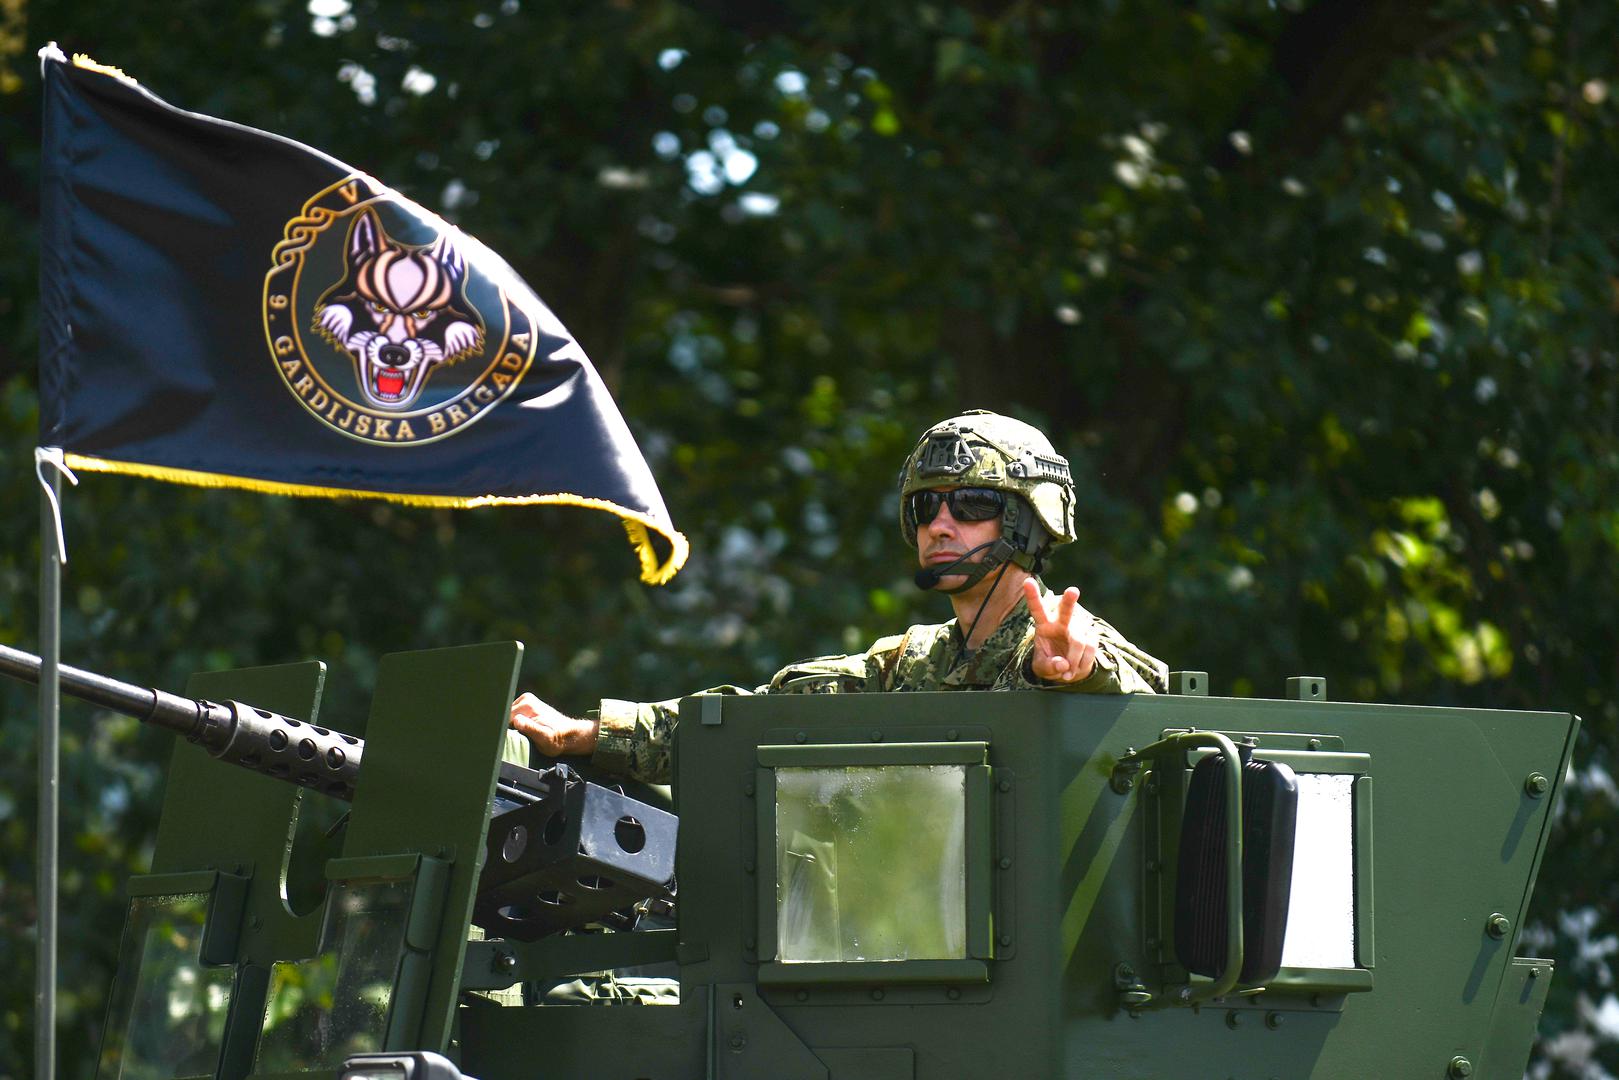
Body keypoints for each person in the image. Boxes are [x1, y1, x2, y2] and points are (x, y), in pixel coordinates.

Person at [509, 410, 1166, 785]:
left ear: (1025, 522)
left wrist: (1066, 670)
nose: (941, 523)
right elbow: (749, 726)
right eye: (925, 505)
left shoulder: (1068, 642)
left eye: (971, 504)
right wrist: (586, 734)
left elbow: (1139, 692)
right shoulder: (906, 665)